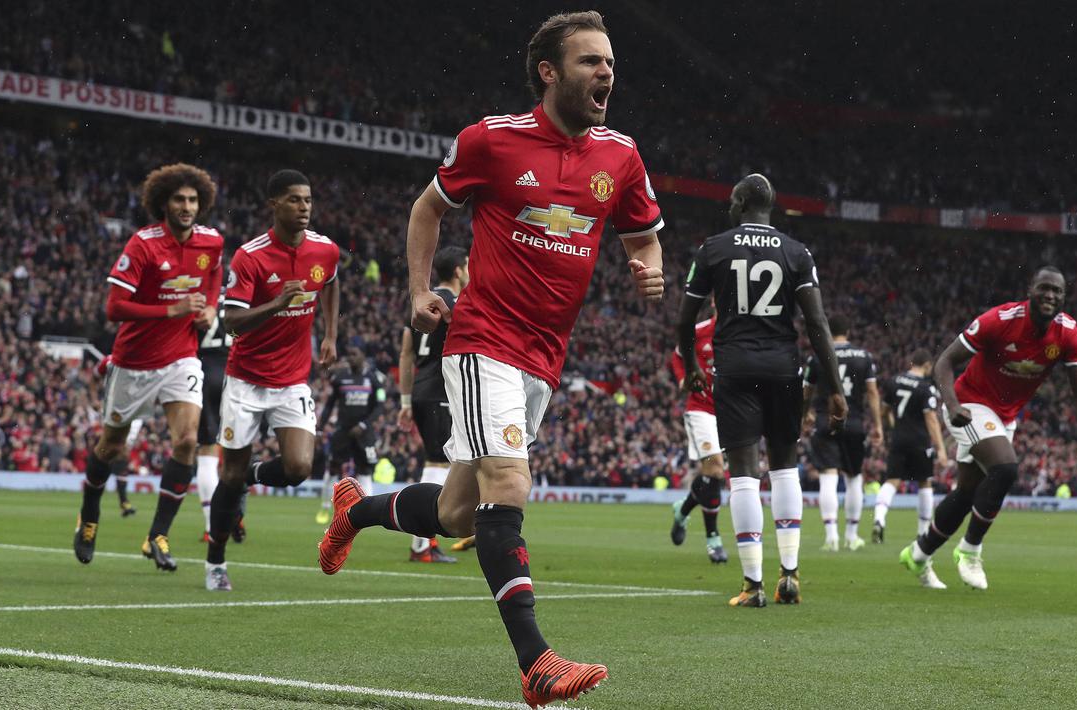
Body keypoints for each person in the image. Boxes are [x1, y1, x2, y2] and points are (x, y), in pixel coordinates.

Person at [319, 12, 662, 707]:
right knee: (509, 481)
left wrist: (645, 265)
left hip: (544, 356)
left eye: (610, 63)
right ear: (549, 71)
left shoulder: (620, 156)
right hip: (483, 339)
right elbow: (426, 209)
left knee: (455, 514)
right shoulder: (493, 141)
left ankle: (355, 510)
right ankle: (536, 663)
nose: (606, 74)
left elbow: (644, 234)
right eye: (591, 62)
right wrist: (418, 290)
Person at [679, 173, 847, 608]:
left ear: (738, 202)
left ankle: (752, 585)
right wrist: (835, 387)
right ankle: (789, 576)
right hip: (782, 367)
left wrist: (694, 362)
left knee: (744, 474)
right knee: (786, 468)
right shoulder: (797, 252)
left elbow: (685, 318)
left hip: (733, 368)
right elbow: (817, 324)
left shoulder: (713, 248)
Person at [899, 266, 1077, 590]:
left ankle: (918, 554)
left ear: (1064, 297)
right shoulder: (1000, 320)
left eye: (1057, 291)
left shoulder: (1068, 334)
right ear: (1030, 290)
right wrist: (952, 406)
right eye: (1044, 288)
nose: (1050, 295)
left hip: (1004, 416)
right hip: (969, 405)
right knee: (1006, 468)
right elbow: (944, 362)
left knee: (966, 494)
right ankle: (970, 551)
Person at [73, 163, 223, 571]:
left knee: (187, 440)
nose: (187, 206)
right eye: (179, 199)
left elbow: (214, 275)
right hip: (134, 362)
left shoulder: (211, 242)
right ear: (164, 203)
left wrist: (209, 306)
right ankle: (89, 515)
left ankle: (157, 535)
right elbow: (114, 308)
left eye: (193, 199)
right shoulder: (143, 245)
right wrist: (173, 308)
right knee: (112, 447)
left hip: (181, 358)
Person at [205, 169, 340, 592]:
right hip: (245, 381)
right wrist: (278, 303)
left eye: (308, 200)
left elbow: (332, 284)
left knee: (299, 467)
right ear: (274, 205)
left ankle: (251, 477)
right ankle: (215, 562)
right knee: (227, 477)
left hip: (292, 380)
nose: (304, 208)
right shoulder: (251, 257)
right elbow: (231, 323)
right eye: (295, 200)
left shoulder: (325, 250)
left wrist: (331, 335)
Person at [396, 245, 472, 561]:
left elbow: (406, 354)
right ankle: (422, 544)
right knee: (438, 464)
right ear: (458, 270)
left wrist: (404, 399)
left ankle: (428, 541)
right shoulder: (456, 305)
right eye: (467, 266)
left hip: (422, 388)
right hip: (442, 389)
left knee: (439, 461)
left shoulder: (420, 301)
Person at [803, 316, 882, 552]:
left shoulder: (817, 356)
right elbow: (872, 392)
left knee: (828, 477)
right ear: (848, 331)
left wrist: (804, 414)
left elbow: (806, 390)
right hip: (853, 422)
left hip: (824, 421)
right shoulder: (864, 357)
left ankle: (831, 537)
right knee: (854, 477)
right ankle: (851, 535)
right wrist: (877, 424)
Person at [872, 350, 949, 564]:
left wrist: (891, 426)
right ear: (927, 365)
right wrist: (941, 448)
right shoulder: (926, 388)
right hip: (919, 441)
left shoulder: (893, 381)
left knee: (891, 481)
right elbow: (931, 419)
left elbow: (884, 410)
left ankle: (879, 518)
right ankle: (923, 531)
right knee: (925, 483)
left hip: (898, 439)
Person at [667, 309, 728, 564]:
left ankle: (683, 509)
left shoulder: (741, 333)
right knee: (715, 470)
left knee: (711, 476)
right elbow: (677, 356)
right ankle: (713, 539)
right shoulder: (700, 330)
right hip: (701, 408)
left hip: (729, 412)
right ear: (715, 301)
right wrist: (683, 379)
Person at [313, 346, 392, 530]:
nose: (351, 358)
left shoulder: (374, 378)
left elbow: (379, 407)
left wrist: (364, 425)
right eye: (349, 354)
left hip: (364, 432)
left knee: (364, 469)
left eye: (354, 354)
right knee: (333, 466)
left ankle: (368, 511)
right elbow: (329, 406)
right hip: (343, 431)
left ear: (363, 356)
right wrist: (320, 428)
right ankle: (326, 506)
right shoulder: (339, 378)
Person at [193, 285, 246, 544]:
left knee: (206, 452)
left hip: (204, 372)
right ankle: (237, 511)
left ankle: (211, 525)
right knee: (238, 448)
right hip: (236, 373)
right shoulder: (240, 299)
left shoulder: (202, 298)